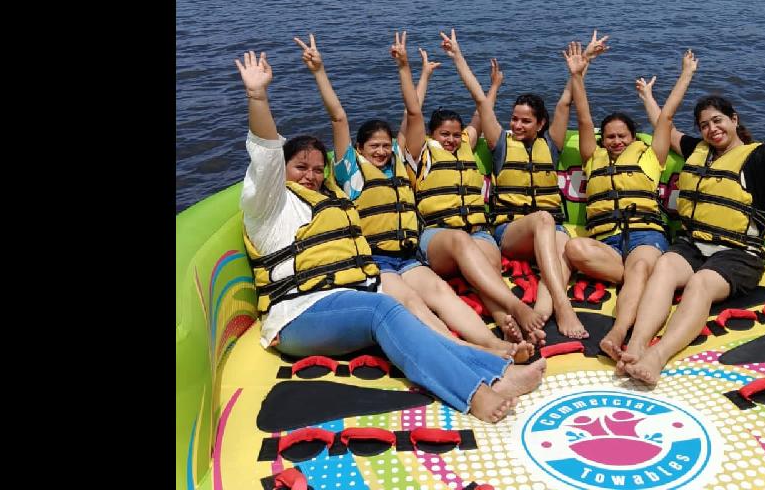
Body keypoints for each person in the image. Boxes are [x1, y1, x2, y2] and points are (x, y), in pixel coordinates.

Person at [233, 49, 546, 422]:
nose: (311, 176)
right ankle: (475, 394)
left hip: (351, 292)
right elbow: (270, 153)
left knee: (408, 307)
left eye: (318, 169)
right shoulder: (271, 206)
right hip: (297, 313)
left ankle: (499, 371)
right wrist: (257, 96)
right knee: (384, 309)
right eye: (301, 167)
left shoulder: (331, 199)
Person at [295, 33, 528, 361]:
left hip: (408, 256)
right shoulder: (351, 172)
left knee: (441, 293)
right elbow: (339, 117)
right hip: (376, 261)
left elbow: (413, 113)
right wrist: (319, 71)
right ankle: (469, 351)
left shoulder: (400, 164)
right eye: (373, 146)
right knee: (412, 302)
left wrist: (406, 68)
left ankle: (495, 343)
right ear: (359, 149)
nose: (381, 151)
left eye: (385, 145)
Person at [617, 86, 765, 387]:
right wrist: (648, 97)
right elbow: (666, 128)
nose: (712, 129)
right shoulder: (698, 150)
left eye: (717, 121)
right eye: (704, 125)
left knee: (700, 283)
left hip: (739, 254)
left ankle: (657, 356)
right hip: (694, 245)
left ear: (733, 119)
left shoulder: (763, 158)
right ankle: (637, 344)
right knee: (665, 265)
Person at [440, 29, 584, 341]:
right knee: (544, 220)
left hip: (549, 229)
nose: (517, 125)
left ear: (541, 124)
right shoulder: (501, 144)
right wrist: (457, 56)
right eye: (515, 119)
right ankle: (564, 306)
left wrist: (577, 72)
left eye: (525, 121)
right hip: (512, 232)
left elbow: (564, 105)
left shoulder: (551, 144)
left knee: (562, 251)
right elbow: (480, 100)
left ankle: (542, 315)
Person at [563, 46, 699, 365]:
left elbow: (666, 117)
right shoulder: (592, 157)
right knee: (573, 248)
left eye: (622, 136)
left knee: (638, 266)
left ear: (634, 137)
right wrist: (577, 75)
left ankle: (619, 332)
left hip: (644, 236)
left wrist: (686, 74)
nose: (616, 141)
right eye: (610, 137)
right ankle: (639, 283)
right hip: (607, 242)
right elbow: (583, 117)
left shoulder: (651, 157)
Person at [404, 48, 543, 351]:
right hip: (438, 239)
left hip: (476, 231)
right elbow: (412, 112)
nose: (451, 140)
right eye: (444, 134)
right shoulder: (420, 152)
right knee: (461, 241)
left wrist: (494, 87)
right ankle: (516, 306)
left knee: (489, 262)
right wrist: (422, 75)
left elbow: (481, 112)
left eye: (456, 135)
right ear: (431, 134)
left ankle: (506, 326)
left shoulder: (466, 143)